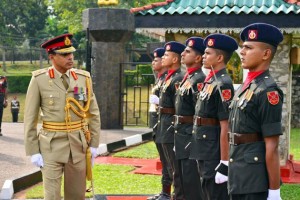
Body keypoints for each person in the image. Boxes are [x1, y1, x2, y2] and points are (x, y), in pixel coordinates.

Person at [24, 33, 101, 200]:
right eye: (65, 54)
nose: (70, 57)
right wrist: (33, 151)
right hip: (50, 145)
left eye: (71, 53)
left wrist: (94, 144)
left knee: (76, 195)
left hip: (78, 145)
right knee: (52, 195)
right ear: (52, 57)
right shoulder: (39, 80)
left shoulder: (82, 79)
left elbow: (93, 113)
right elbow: (30, 118)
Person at [228, 23, 284, 200]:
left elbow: (272, 145)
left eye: (248, 48)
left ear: (266, 54)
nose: (242, 52)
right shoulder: (248, 86)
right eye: (242, 47)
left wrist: (274, 191)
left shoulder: (268, 91)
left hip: (253, 178)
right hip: (238, 170)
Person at [189, 33, 238, 200]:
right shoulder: (211, 81)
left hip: (212, 150)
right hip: (203, 147)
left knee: (215, 193)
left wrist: (224, 162)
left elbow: (226, 125)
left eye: (208, 53)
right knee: (206, 190)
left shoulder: (223, 84)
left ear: (219, 58)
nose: (203, 56)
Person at [173, 36, 206, 200]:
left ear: (198, 58)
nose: (183, 53)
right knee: (180, 179)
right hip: (180, 134)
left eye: (188, 51)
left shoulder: (199, 79)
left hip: (189, 136)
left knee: (191, 182)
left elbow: (199, 113)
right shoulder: (188, 77)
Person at [154, 41, 185, 200]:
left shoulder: (178, 78)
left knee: (175, 167)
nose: (162, 57)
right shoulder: (168, 78)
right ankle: (167, 193)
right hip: (163, 124)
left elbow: (178, 107)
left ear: (175, 59)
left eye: (166, 55)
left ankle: (174, 195)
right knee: (167, 163)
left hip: (171, 126)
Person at [148, 47, 172, 200]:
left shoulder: (168, 79)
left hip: (167, 126)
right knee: (164, 161)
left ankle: (167, 192)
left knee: (169, 162)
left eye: (157, 59)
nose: (153, 62)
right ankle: (165, 191)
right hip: (159, 125)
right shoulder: (160, 78)